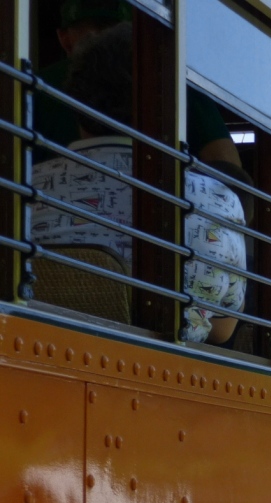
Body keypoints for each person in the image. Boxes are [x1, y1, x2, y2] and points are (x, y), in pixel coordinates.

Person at [30, 22, 250, 345]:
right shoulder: (219, 201)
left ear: (76, 103)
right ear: (165, 105)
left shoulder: (23, 190)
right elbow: (222, 328)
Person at [34, 0, 241, 167]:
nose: (105, 42)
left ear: (64, 39)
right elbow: (228, 170)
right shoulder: (173, 79)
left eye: (110, 30)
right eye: (97, 33)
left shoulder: (32, 85)